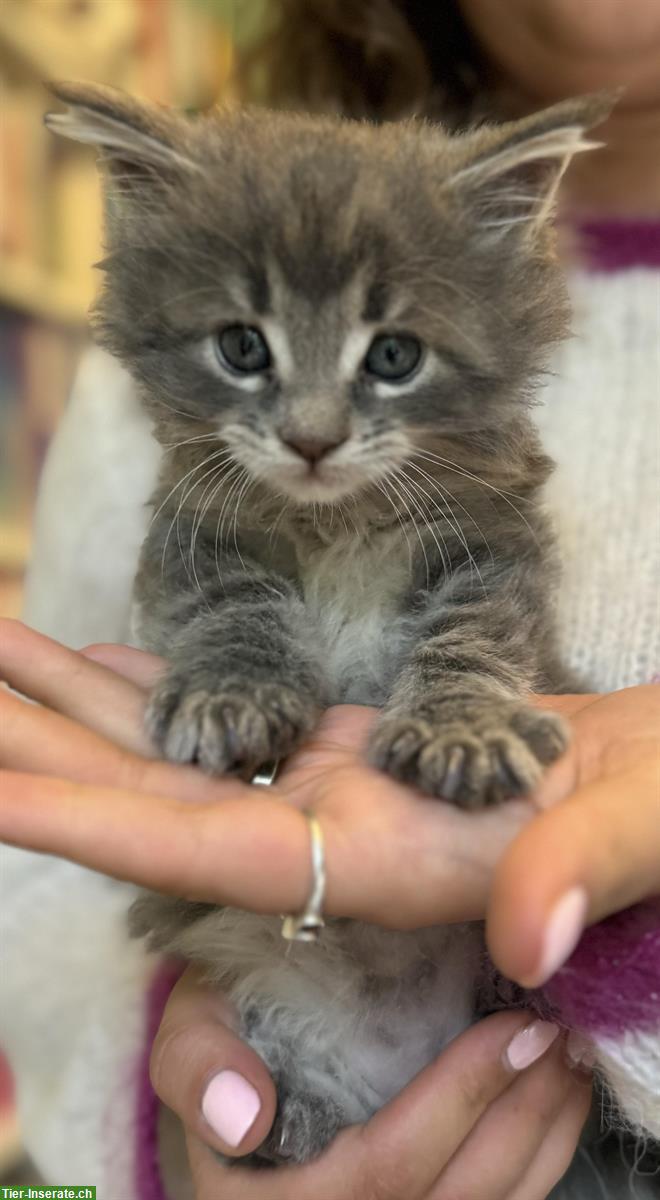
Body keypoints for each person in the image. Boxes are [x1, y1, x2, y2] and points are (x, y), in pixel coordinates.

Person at [1, 2, 659, 1197]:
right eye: (247, 352)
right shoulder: (149, 431)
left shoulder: (476, 472)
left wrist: (601, 924)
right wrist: (166, 1150)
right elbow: (36, 879)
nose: (310, 429)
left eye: (386, 360)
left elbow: (488, 581)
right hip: (289, 1044)